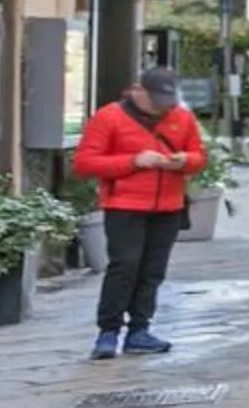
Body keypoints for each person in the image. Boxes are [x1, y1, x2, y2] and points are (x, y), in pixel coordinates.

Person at [71, 66, 206, 359]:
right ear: (138, 91)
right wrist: (134, 161)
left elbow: (198, 156)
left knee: (152, 270)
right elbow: (85, 163)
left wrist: (183, 160)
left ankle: (139, 331)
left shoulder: (181, 117)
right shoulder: (110, 117)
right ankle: (108, 332)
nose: (161, 108)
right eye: (155, 101)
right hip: (125, 206)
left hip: (168, 206)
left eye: (166, 102)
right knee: (124, 267)